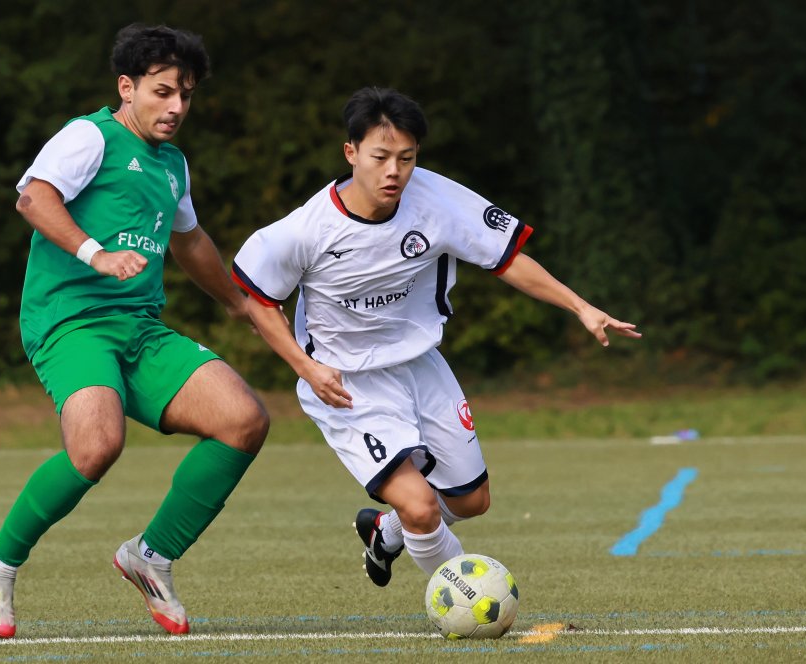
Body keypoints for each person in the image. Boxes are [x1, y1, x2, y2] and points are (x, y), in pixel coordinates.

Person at [231, 87, 639, 587]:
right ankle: (464, 597)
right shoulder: (306, 230)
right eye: (380, 157)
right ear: (351, 152)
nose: (394, 172)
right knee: (422, 507)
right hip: (347, 384)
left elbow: (505, 260)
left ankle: (387, 530)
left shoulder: (437, 200)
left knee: (472, 501)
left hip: (422, 366)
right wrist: (306, 367)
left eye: (406, 158)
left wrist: (581, 306)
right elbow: (259, 299)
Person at [0, 24, 268, 639]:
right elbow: (33, 198)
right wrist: (94, 254)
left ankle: (150, 555)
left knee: (244, 420)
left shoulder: (172, 165)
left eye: (186, 94)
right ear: (127, 88)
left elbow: (189, 241)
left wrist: (239, 304)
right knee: (96, 445)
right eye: (163, 92)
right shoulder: (89, 137)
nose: (177, 107)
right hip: (70, 321)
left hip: (139, 328)